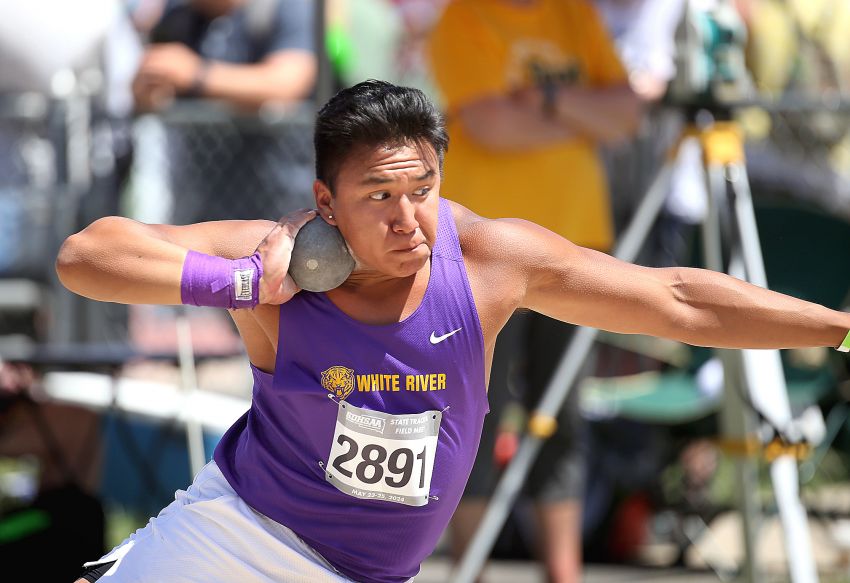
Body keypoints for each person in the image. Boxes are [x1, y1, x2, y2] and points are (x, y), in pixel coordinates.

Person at [58, 80, 850, 583]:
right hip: (228, 545)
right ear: (325, 202)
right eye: (379, 197)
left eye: (423, 190)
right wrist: (235, 283)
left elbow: (677, 297)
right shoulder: (279, 261)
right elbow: (85, 255)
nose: (410, 222)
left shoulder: (488, 263)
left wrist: (840, 329)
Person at [426, 1, 641, 579]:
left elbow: (626, 115)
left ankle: (562, 571)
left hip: (576, 243)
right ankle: (468, 568)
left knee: (563, 415)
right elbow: (493, 127)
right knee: (474, 414)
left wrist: (546, 100)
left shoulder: (573, 15)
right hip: (484, 251)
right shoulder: (463, 18)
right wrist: (581, 113)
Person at [133, 0, 318, 224]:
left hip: (280, 206)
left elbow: (288, 82)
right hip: (197, 205)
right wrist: (147, 86)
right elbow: (151, 89)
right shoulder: (178, 15)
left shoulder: (283, 7)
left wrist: (196, 75)